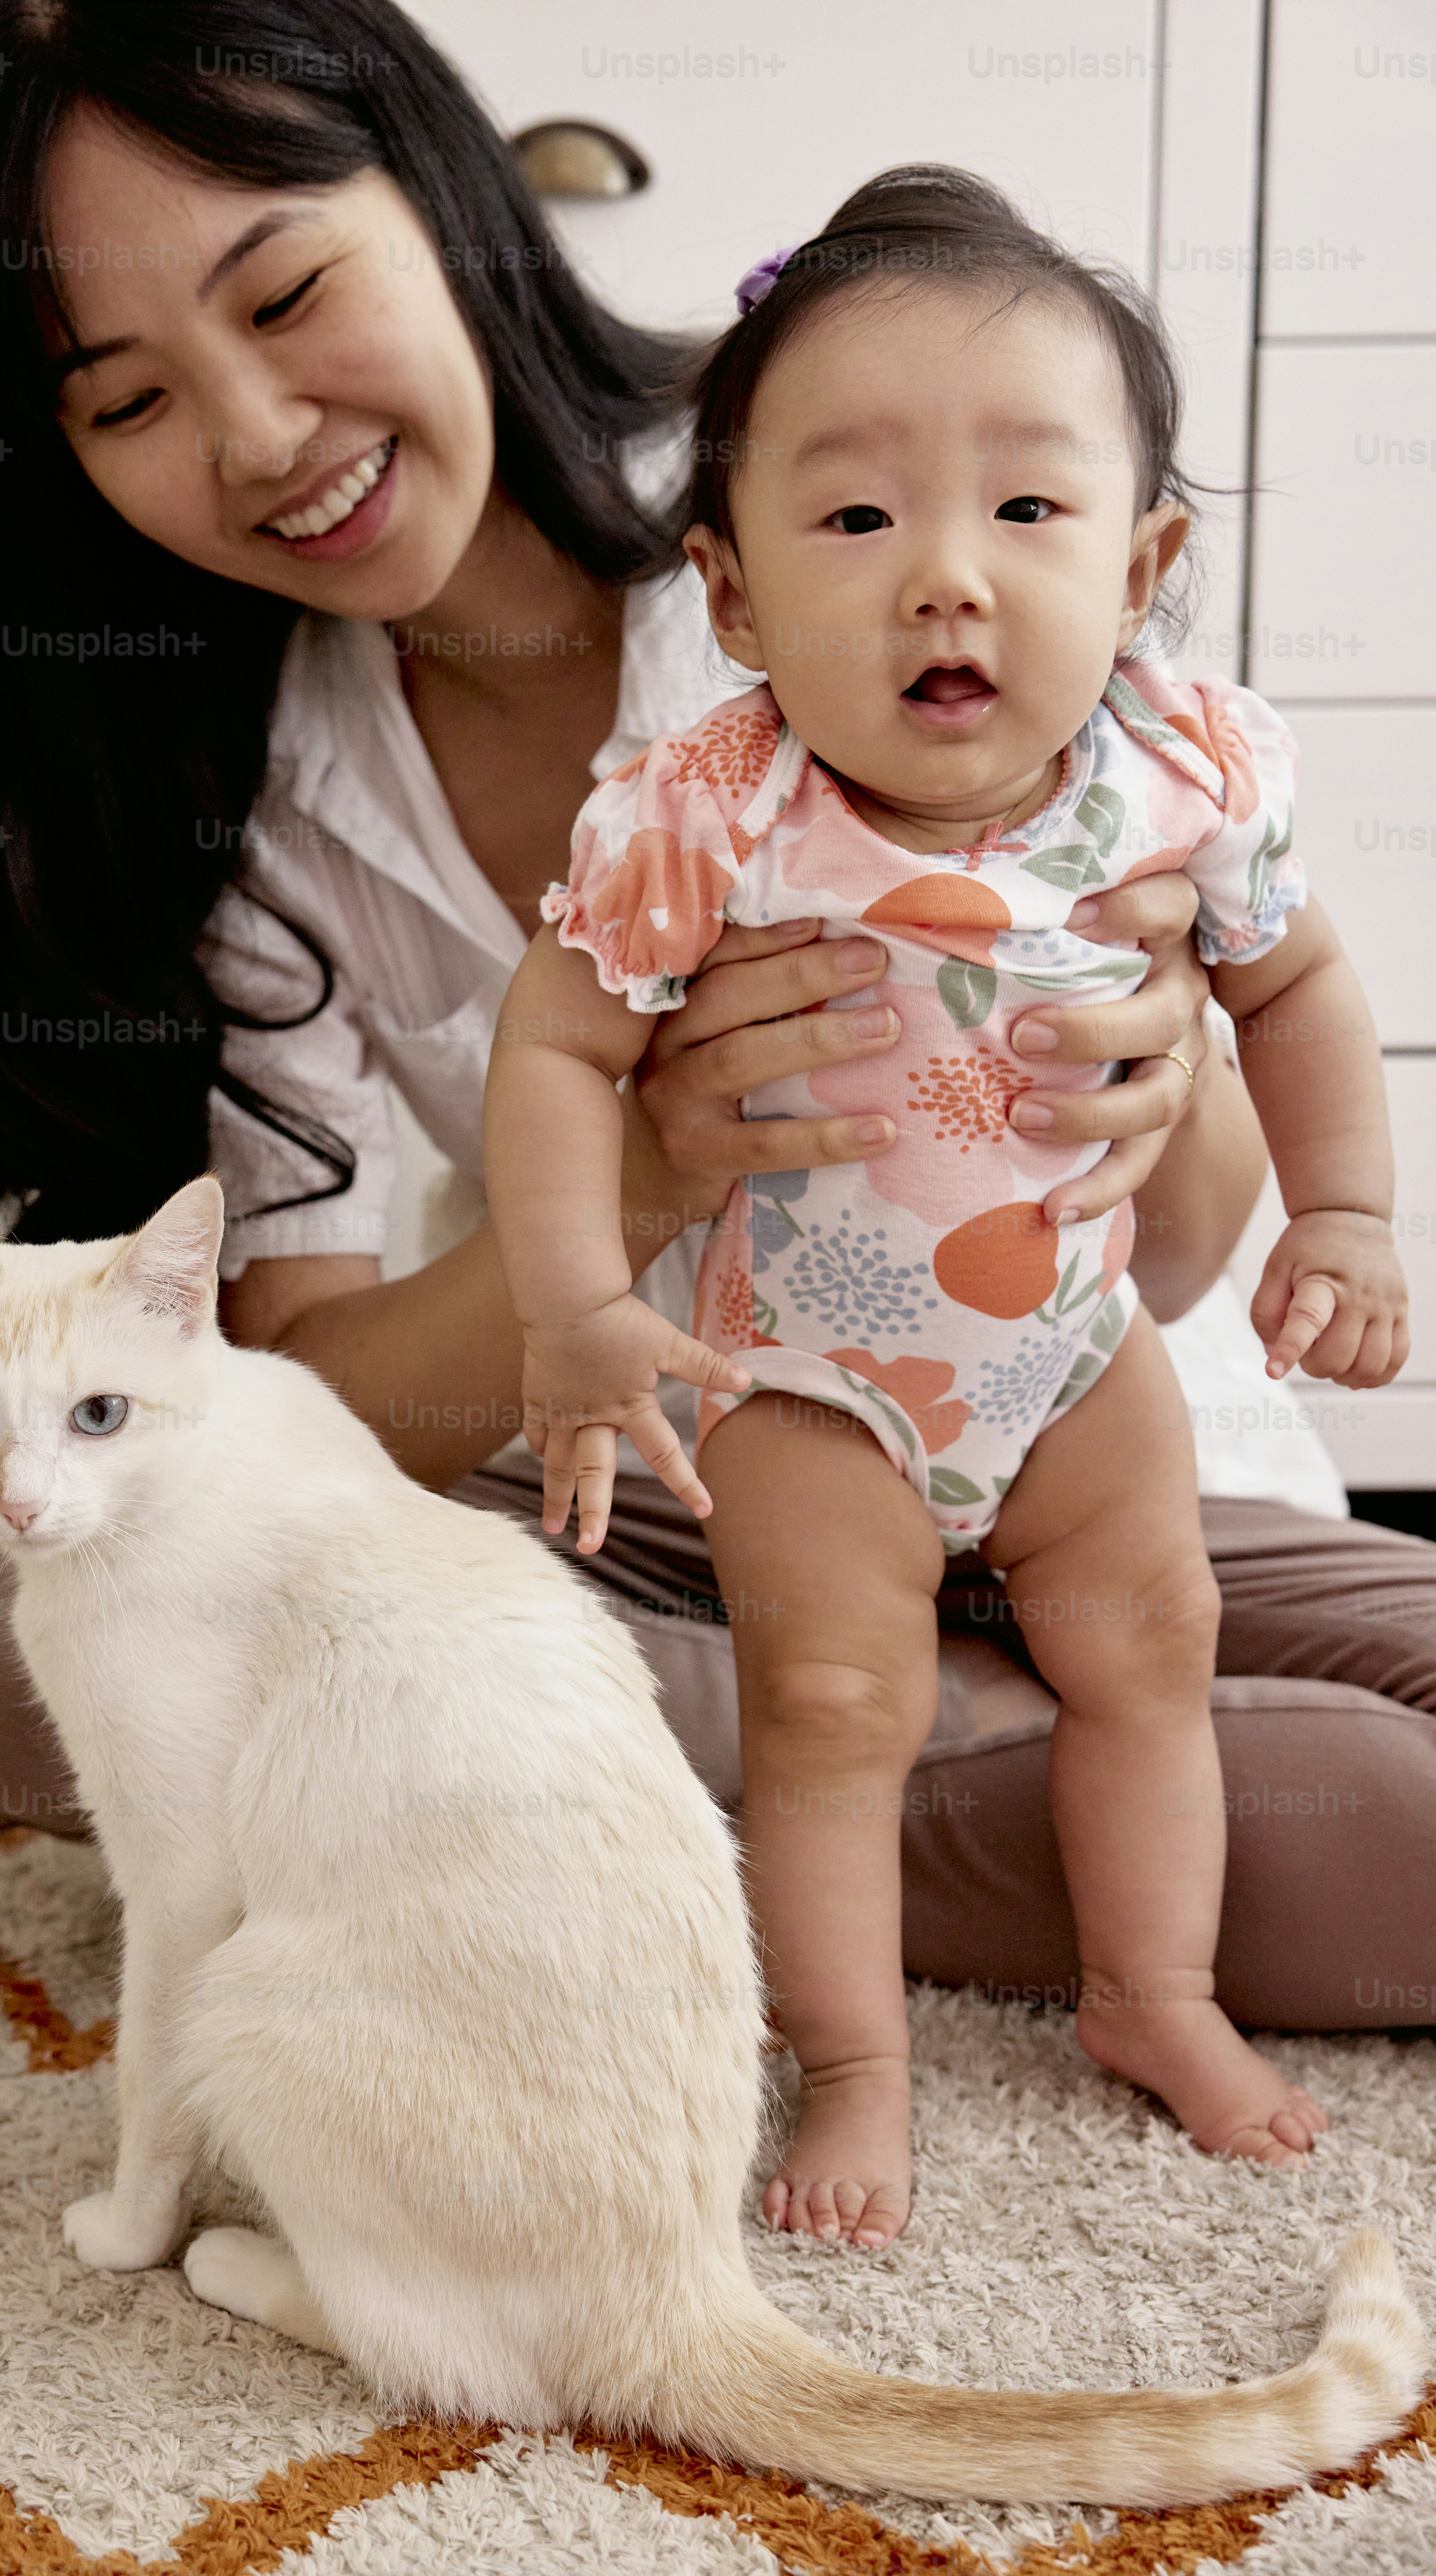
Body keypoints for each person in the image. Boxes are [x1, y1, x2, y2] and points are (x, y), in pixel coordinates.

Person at [0, 5, 1436, 2217]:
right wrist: (637, 1190)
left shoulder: (892, 479)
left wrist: (1198, 1081)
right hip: (692, 1462)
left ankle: (827, 1775)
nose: (264, 436)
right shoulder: (247, 801)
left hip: (1103, 1420)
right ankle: (898, 1763)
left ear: (443, 199)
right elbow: (313, 1413)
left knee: (1321, 1724)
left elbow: (1178, 1246)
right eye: (129, 401)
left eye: (284, 295)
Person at [482, 168, 1409, 2248]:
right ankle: (856, 2061)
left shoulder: (1181, 774)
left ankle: (1151, 1993)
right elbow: (552, 1049)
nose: (946, 582)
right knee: (832, 1705)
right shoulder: (712, 808)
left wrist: (1344, 1213)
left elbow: (1299, 990)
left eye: (1027, 508)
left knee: (1153, 1649)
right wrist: (575, 1307)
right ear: (732, 598)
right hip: (814, 1376)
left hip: (1079, 1354)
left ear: (1144, 564)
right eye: (855, 517)